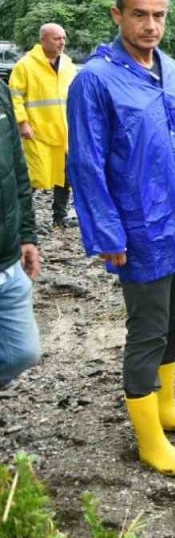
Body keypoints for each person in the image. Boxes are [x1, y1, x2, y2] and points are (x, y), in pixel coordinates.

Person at [67, 0, 175, 476]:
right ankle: (149, 439)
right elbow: (86, 163)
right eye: (139, 14)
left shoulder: (174, 69)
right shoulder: (95, 79)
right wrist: (106, 232)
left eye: (158, 14)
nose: (151, 25)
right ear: (118, 15)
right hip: (140, 228)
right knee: (148, 328)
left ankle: (167, 407)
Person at [8, 23, 78, 228]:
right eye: (57, 38)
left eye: (64, 38)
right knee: (35, 177)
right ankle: (22, 220)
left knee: (64, 176)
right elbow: (15, 96)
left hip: (64, 131)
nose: (62, 42)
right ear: (44, 40)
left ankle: (59, 217)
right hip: (38, 132)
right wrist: (22, 122)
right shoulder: (26, 65)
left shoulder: (67, 64)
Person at [0, 77, 42, 390]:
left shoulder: (0, 90)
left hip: (8, 255)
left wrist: (27, 236)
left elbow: (17, 167)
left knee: (22, 352)